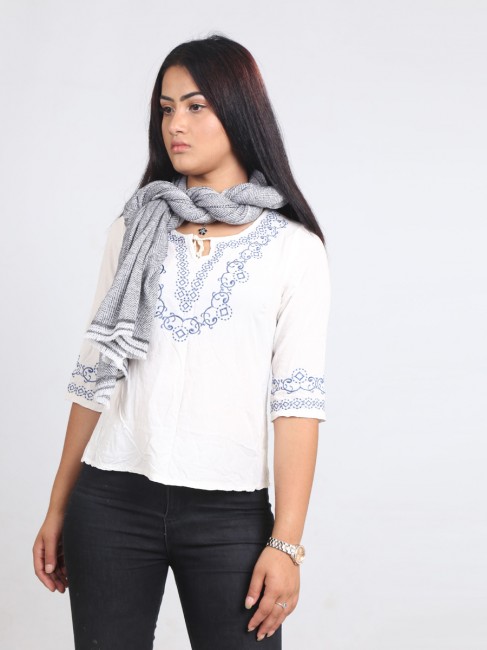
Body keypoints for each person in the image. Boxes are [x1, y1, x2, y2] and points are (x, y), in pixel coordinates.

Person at [32, 33, 331, 649]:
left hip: (229, 512)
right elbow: (94, 378)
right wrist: (57, 507)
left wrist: (286, 543)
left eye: (196, 106)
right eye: (166, 108)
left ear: (239, 111)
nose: (176, 124)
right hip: (111, 500)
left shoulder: (293, 250)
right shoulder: (133, 229)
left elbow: (297, 405)